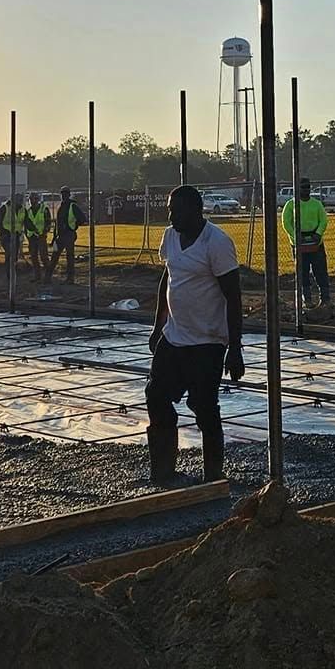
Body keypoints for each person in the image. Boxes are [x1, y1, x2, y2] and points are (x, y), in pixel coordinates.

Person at [147, 185, 244, 486]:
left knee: (204, 407)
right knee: (156, 395)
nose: (171, 216)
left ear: (195, 210)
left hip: (207, 342)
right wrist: (158, 324)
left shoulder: (216, 243)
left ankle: (213, 474)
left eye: (176, 210)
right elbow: (169, 277)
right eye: (169, 210)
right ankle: (163, 471)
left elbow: (233, 296)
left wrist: (235, 347)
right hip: (174, 337)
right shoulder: (170, 237)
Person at [281, 177, 331, 308]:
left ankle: (325, 299)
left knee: (320, 270)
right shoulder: (291, 205)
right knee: (302, 272)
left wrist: (318, 234)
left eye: (308, 187)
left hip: (316, 242)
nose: (306, 190)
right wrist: (296, 237)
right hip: (299, 243)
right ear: (297, 189)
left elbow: (323, 220)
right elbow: (286, 223)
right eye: (303, 187)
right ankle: (306, 299)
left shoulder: (317, 204)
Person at [48, 186, 86, 282]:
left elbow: (82, 219)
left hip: (69, 234)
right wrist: (54, 238)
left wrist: (73, 226)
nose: (63, 196)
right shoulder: (61, 206)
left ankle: (70, 278)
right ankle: (47, 277)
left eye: (65, 194)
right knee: (55, 256)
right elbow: (57, 223)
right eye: (62, 194)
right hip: (60, 236)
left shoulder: (72, 206)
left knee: (70, 257)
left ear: (68, 195)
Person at [21, 193, 51, 281]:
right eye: (30, 199)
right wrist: (28, 235)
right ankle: (37, 276)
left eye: (34, 199)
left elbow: (48, 222)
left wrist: (44, 232)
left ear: (37, 199)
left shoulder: (44, 209)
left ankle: (48, 276)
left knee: (43, 257)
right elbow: (26, 224)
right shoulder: (28, 210)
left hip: (41, 236)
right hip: (32, 237)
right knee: (33, 257)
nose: (32, 201)